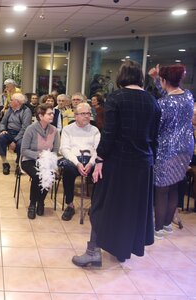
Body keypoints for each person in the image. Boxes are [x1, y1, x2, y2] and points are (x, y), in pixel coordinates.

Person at [72, 60, 161, 266]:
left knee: (100, 206)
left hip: (118, 163)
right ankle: (122, 249)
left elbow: (109, 134)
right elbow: (155, 137)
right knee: (130, 209)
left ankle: (93, 251)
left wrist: (100, 159)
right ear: (139, 77)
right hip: (144, 164)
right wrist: (150, 161)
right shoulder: (152, 100)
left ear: (121, 77)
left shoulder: (116, 97)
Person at [148, 63, 194, 239]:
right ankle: (167, 224)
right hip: (186, 148)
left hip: (167, 149)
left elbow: (158, 126)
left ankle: (157, 228)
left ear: (165, 80)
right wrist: (157, 79)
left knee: (161, 189)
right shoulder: (188, 96)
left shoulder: (163, 103)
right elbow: (170, 93)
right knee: (174, 185)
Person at [59, 102, 100, 221]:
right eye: (83, 114)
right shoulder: (68, 129)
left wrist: (91, 163)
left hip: (90, 160)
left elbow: (98, 150)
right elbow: (64, 149)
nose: (87, 116)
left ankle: (94, 206)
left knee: (100, 172)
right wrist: (77, 163)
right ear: (76, 115)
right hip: (73, 159)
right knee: (67, 172)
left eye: (88, 113)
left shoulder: (94, 130)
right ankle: (70, 205)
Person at [21, 104, 60, 219]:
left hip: (47, 160)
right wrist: (39, 155)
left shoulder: (54, 130)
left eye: (52, 113)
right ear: (40, 116)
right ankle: (33, 204)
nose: (52, 115)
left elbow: (56, 149)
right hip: (30, 160)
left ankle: (41, 201)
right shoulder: (31, 129)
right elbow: (24, 150)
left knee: (49, 175)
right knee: (37, 176)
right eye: (49, 113)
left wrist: (50, 158)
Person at [0, 93, 32, 175]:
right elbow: (3, 122)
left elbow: (25, 128)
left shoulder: (26, 111)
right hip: (9, 132)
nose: (9, 102)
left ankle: (18, 165)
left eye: (12, 100)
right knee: (0, 138)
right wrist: (3, 130)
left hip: (21, 134)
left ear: (18, 102)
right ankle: (5, 163)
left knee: (20, 144)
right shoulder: (10, 109)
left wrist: (14, 141)